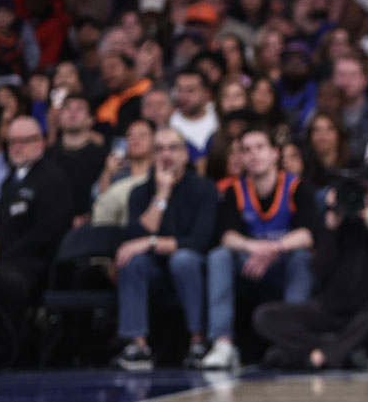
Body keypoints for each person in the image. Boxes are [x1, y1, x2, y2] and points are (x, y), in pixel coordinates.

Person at [252, 154, 368, 370]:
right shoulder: (345, 220)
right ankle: (345, 350)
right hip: (332, 310)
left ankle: (321, 355)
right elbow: (318, 270)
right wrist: (331, 227)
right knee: (264, 317)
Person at [201, 127, 316, 369]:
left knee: (302, 258)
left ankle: (289, 338)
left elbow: (308, 234)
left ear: (275, 153)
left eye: (260, 147)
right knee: (219, 256)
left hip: (282, 261)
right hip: (250, 263)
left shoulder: (296, 186)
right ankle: (223, 343)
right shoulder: (234, 190)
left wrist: (273, 248)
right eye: (246, 150)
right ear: (241, 158)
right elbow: (226, 236)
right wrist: (254, 247)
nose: (253, 154)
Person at [113, 128, 218, 370]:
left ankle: (198, 342)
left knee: (183, 259)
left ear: (186, 155)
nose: (166, 154)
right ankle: (138, 345)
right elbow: (137, 237)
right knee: (132, 261)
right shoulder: (141, 192)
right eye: (159, 149)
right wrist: (162, 194)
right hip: (155, 268)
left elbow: (200, 241)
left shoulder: (204, 189)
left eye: (173, 148)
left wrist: (151, 243)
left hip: (193, 267)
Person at [0, 116, 71, 356]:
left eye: (24, 141)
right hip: (6, 259)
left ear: (41, 142)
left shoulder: (51, 179)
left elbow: (48, 232)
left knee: (2, 282)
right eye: (12, 141)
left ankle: (10, 353)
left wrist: (2, 256)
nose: (17, 147)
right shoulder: (10, 180)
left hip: (34, 264)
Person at [45, 95, 108, 223]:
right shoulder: (47, 156)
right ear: (59, 117)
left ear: (91, 120)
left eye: (79, 109)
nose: (72, 113)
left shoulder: (102, 155)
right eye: (67, 108)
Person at [91, 119, 154, 226]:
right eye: (129, 136)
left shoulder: (160, 173)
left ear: (155, 140)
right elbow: (102, 205)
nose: (134, 139)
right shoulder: (116, 172)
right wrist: (108, 173)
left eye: (142, 135)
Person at [170, 68, 220, 169]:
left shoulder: (219, 113)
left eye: (190, 90)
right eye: (180, 90)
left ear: (206, 93)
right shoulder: (170, 123)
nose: (183, 96)